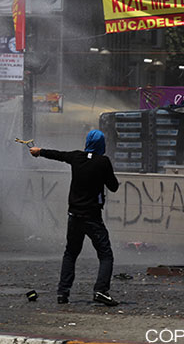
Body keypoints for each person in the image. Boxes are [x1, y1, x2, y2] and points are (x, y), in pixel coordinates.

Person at [30, 130, 120, 306]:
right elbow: (114, 186)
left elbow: (59, 155)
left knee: (71, 253)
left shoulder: (76, 157)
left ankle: (62, 293)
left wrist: (39, 151)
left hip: (74, 216)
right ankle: (101, 290)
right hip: (92, 217)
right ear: (102, 144)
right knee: (105, 254)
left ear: (87, 142)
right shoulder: (103, 161)